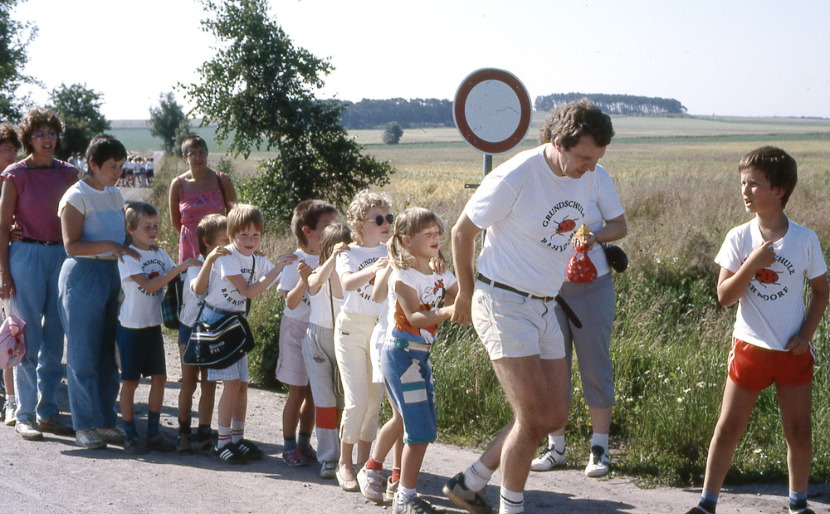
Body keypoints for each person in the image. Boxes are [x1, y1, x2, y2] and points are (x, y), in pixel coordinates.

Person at [444, 98, 615, 514]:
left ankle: (469, 482)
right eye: (584, 158)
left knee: (553, 414)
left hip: (544, 305)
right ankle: (511, 507)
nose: (589, 168)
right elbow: (461, 233)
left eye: (596, 160)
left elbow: (575, 228)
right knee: (534, 415)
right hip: (502, 300)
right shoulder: (517, 174)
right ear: (559, 140)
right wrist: (465, 294)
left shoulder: (588, 177)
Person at [686, 147, 828, 514]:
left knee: (799, 432)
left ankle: (798, 504)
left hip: (791, 352)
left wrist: (807, 335)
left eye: (754, 184)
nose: (745, 191)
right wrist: (751, 263)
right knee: (729, 428)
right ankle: (706, 504)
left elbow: (822, 290)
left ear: (779, 190)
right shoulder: (738, 237)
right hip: (749, 347)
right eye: (742, 184)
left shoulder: (804, 239)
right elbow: (724, 297)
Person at [530, 120, 628, 478]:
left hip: (592, 285)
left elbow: (621, 225)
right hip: (547, 287)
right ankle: (556, 448)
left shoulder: (598, 176)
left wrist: (595, 236)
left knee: (595, 366)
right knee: (551, 369)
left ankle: (599, 449)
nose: (585, 163)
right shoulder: (537, 177)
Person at [193, 203, 295, 464]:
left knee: (241, 387)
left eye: (256, 235)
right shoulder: (227, 256)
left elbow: (278, 279)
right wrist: (277, 268)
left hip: (236, 327)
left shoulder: (255, 258)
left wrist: (294, 270)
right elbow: (248, 291)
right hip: (218, 325)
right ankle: (223, 442)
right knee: (229, 386)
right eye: (243, 235)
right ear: (231, 234)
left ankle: (238, 439)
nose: (250, 241)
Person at [0, 108, 79, 441]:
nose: (48, 139)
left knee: (56, 336)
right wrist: (4, 272)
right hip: (27, 254)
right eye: (40, 134)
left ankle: (49, 411)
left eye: (52, 133)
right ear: (28, 139)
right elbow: (3, 226)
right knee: (28, 335)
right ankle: (25, 413)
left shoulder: (70, 173)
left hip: (62, 255)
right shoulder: (15, 175)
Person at [59, 134, 137, 449]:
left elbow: (122, 237)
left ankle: (106, 421)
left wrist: (140, 247)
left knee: (109, 356)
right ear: (92, 165)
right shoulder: (75, 197)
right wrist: (111, 246)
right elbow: (71, 244)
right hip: (83, 276)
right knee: (83, 354)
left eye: (120, 166)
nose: (117, 172)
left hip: (113, 276)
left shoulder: (116, 195)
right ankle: (84, 424)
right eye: (111, 166)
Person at [379, 207, 457, 514]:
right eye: (428, 234)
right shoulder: (402, 276)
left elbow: (458, 294)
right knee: (418, 429)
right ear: (406, 241)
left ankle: (404, 492)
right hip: (401, 355)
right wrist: (449, 311)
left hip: (419, 358)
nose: (436, 237)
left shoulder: (439, 271)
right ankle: (404, 497)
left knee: (422, 429)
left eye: (438, 232)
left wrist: (454, 294)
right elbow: (415, 317)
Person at [117, 202, 200, 454]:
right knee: (130, 381)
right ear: (131, 229)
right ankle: (130, 433)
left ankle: (153, 432)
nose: (153, 230)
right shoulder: (127, 256)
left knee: (160, 379)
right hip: (131, 327)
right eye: (146, 227)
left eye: (156, 226)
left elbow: (176, 277)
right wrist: (179, 268)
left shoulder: (159, 254)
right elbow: (151, 285)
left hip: (153, 326)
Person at [333, 190, 391, 490]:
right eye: (378, 218)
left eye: (388, 217)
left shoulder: (391, 250)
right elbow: (346, 284)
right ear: (357, 222)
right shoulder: (347, 253)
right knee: (356, 401)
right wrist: (373, 269)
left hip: (380, 330)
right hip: (351, 331)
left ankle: (365, 465)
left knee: (374, 402)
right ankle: (344, 463)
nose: (385, 223)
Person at [277, 200, 337, 466]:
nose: (334, 229)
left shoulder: (330, 259)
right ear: (307, 231)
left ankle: (305, 442)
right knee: (297, 391)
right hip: (295, 331)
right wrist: (305, 279)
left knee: (315, 392)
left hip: (319, 331)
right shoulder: (295, 261)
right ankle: (289, 446)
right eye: (327, 225)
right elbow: (290, 302)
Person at [176, 213, 228, 454]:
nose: (229, 244)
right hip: (190, 330)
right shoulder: (195, 266)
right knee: (189, 383)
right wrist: (211, 263)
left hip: (213, 330)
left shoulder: (228, 265)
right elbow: (199, 290)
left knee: (209, 383)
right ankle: (183, 431)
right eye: (224, 239)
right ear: (207, 241)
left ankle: (204, 432)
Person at [303, 222, 351, 478]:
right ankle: (328, 459)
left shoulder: (352, 276)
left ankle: (346, 457)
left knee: (345, 402)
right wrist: (333, 258)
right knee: (324, 402)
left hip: (347, 339)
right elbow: (315, 283)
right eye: (335, 247)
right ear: (325, 248)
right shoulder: (317, 272)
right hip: (318, 340)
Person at [169, 134, 237, 264]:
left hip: (219, 243)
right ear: (185, 157)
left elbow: (235, 214)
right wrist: (195, 236)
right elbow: (176, 221)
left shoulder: (222, 180)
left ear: (207, 154)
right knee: (194, 282)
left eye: (201, 153)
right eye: (193, 154)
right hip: (190, 245)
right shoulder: (178, 184)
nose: (198, 157)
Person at [0, 122, 21, 425]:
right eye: (7, 147)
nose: (12, 153)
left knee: (9, 330)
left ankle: (11, 398)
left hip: (10, 260)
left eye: (15, 148)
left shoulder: (17, 180)